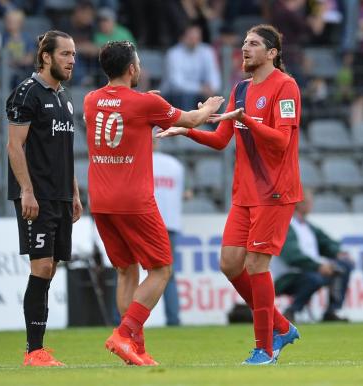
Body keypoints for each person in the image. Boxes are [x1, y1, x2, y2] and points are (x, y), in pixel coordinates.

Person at [158, 24, 302, 365]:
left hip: (275, 191)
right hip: (245, 192)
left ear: (272, 53)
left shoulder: (287, 87)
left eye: (253, 44)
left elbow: (282, 141)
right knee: (229, 263)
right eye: (243, 43)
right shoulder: (239, 89)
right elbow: (222, 140)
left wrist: (248, 120)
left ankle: (264, 348)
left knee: (255, 263)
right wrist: (188, 130)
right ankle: (280, 327)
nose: (245, 48)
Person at [84, 40, 223, 366]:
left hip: (101, 200)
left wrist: (151, 107)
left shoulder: (90, 100)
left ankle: (136, 348)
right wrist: (208, 108)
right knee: (161, 270)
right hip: (133, 199)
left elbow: (126, 114)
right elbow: (188, 120)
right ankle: (123, 334)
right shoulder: (144, 103)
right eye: (139, 63)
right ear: (132, 68)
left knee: (125, 271)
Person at [6, 30, 83, 367]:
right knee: (41, 266)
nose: (72, 60)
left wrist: (76, 193)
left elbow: (64, 150)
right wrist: (26, 190)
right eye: (65, 54)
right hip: (36, 196)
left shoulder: (64, 96)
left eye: (74, 54)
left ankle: (37, 348)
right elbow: (14, 146)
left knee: (50, 268)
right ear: (47, 56)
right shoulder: (27, 93)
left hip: (61, 195)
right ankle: (34, 351)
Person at [272, 188, 353, 323]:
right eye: (309, 201)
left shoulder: (305, 225)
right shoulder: (286, 224)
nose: (311, 204)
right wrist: (318, 266)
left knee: (343, 266)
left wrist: (338, 253)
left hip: (309, 272)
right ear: (299, 203)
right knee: (315, 278)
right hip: (287, 277)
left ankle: (332, 311)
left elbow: (326, 242)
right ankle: (291, 311)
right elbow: (292, 257)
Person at [153, 138, 184, 326]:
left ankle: (122, 320)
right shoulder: (175, 165)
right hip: (169, 224)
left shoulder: (137, 160)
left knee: (127, 270)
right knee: (168, 274)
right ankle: (173, 319)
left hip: (143, 221)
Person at [162, 23, 221, 111]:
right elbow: (177, 84)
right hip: (173, 95)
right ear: (182, 38)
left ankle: (214, 124)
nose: (194, 40)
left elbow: (214, 76)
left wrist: (212, 88)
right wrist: (200, 89)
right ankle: (186, 124)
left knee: (216, 98)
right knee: (187, 95)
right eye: (191, 37)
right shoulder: (173, 54)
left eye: (197, 37)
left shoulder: (207, 51)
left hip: (200, 93)